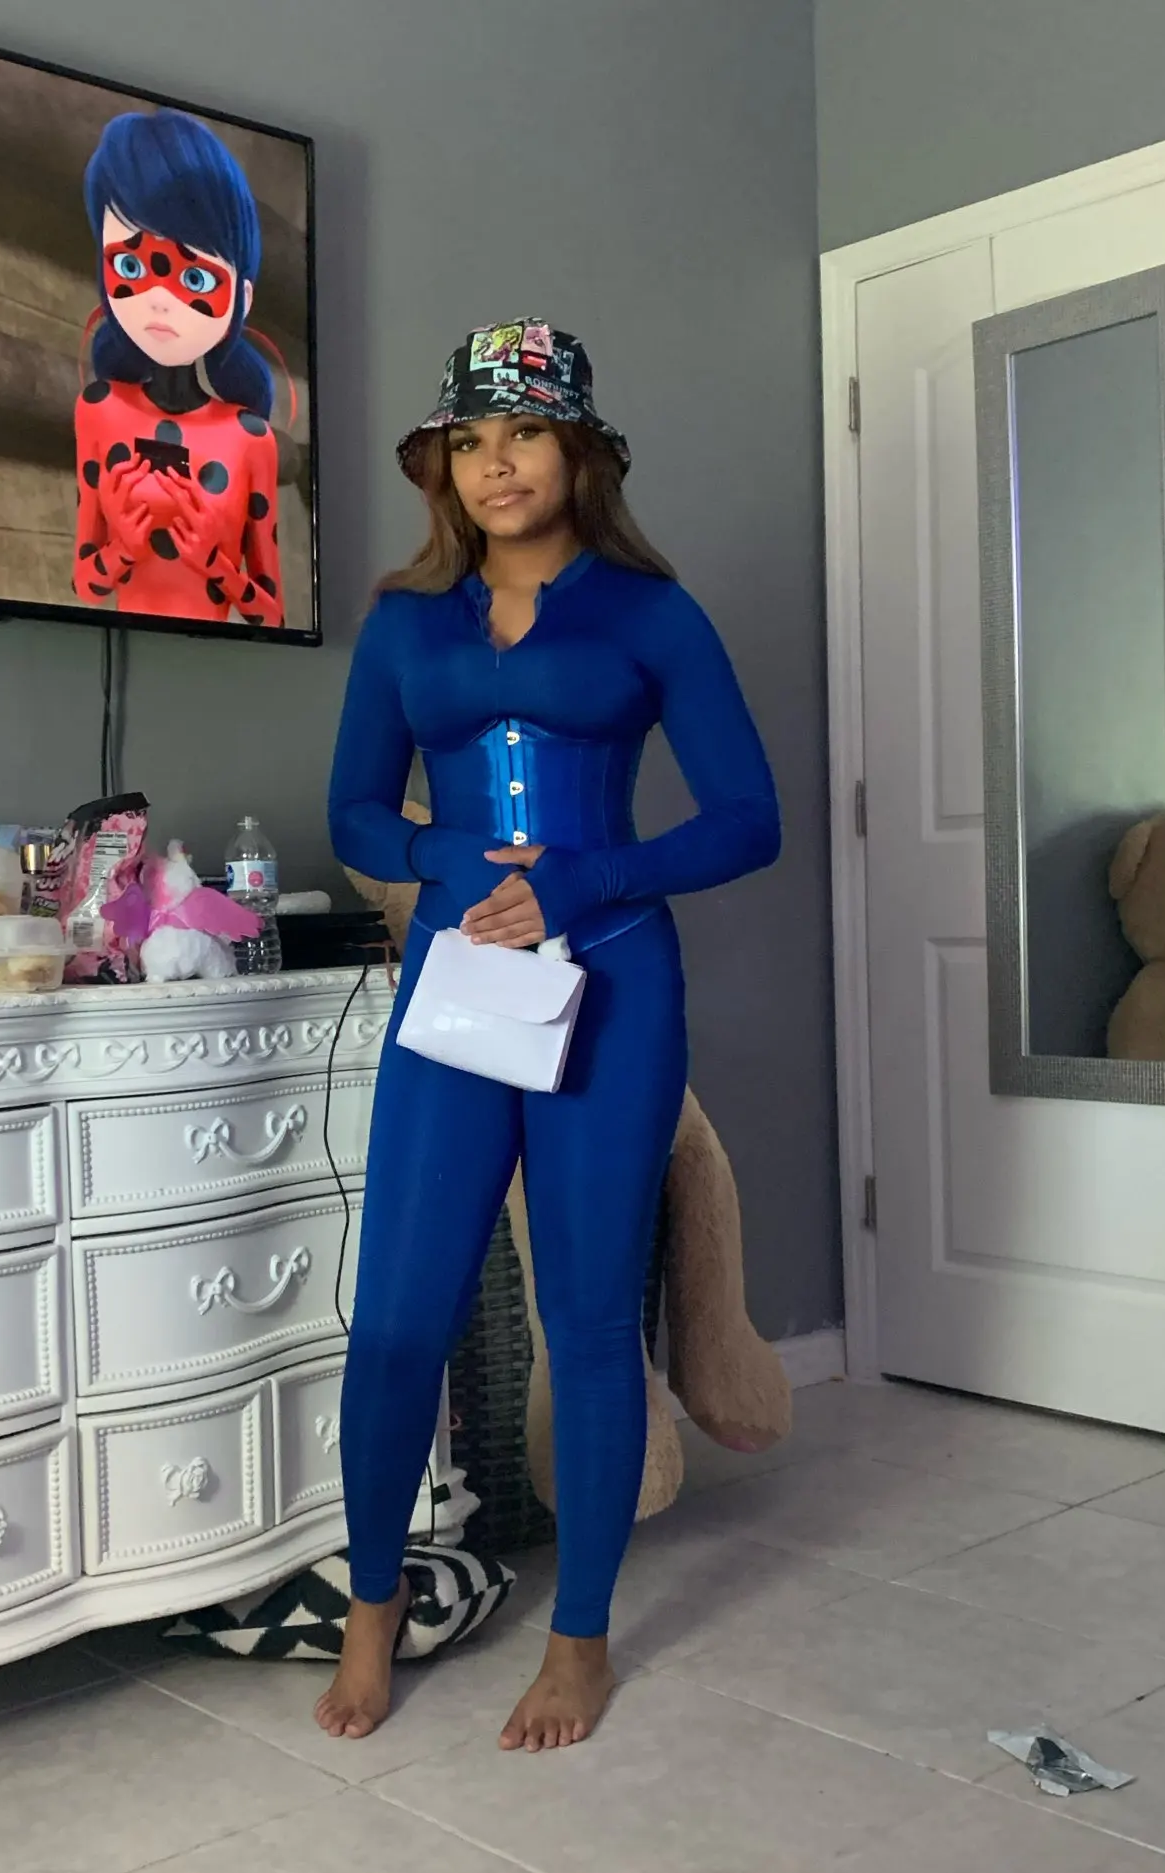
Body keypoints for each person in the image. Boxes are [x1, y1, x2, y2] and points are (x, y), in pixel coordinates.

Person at [323, 320, 781, 1752]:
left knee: (587, 1319)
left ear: (579, 451)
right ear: (442, 468)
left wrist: (586, 879)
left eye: (523, 432)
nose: (496, 463)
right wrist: (444, 857)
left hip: (615, 982)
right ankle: (374, 1605)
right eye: (468, 440)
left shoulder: (653, 615)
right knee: (399, 1315)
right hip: (461, 983)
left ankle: (580, 1636)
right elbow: (353, 813)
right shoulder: (406, 623)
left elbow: (749, 819)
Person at [74, 109, 282, 625]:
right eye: (130, 265)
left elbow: (271, 613)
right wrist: (124, 549)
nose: (159, 299)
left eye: (195, 278)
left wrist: (214, 565)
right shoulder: (98, 409)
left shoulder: (251, 438)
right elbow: (86, 585)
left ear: (242, 298)